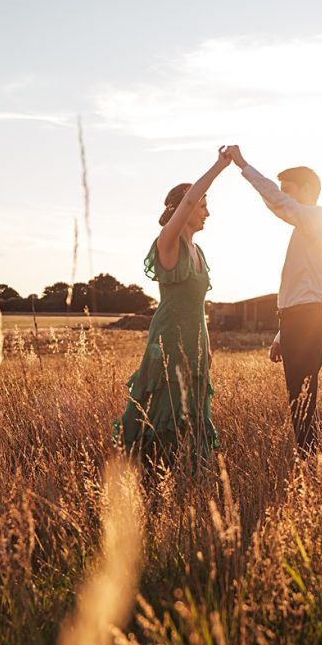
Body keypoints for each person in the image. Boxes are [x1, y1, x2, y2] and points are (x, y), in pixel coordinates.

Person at [113, 147, 231, 470]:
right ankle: (152, 473)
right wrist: (219, 167)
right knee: (166, 410)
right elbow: (192, 198)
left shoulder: (199, 251)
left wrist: (207, 346)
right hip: (168, 342)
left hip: (195, 342)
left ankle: (187, 475)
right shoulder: (168, 243)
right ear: (186, 208)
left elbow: (198, 306)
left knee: (192, 412)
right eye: (203, 206)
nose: (206, 212)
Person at [225, 145, 322, 458]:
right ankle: (308, 459)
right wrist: (281, 334)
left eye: (289, 190)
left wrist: (243, 165)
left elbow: (278, 201)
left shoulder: (318, 218)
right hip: (298, 320)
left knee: (302, 398)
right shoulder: (304, 228)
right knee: (297, 398)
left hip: (308, 319)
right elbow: (297, 288)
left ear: (307, 191)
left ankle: (309, 462)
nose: (283, 196)